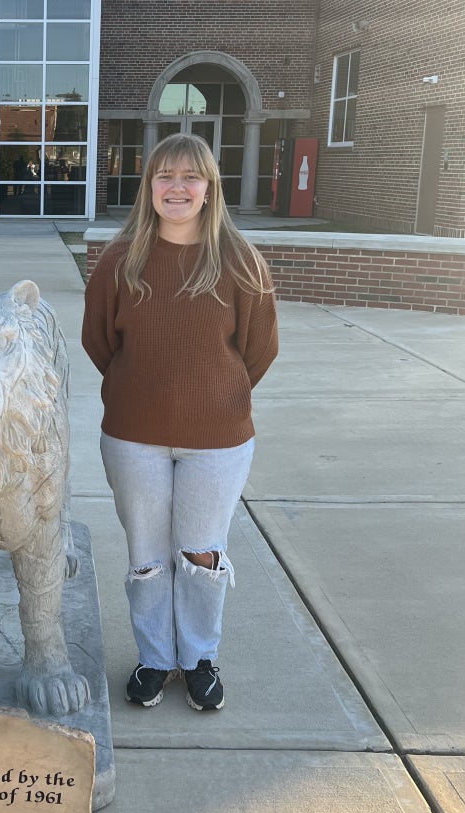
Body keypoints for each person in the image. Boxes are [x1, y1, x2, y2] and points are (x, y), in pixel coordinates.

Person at [81, 133, 278, 712]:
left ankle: (198, 658)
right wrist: (140, 391)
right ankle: (155, 658)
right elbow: (100, 342)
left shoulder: (238, 259)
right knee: (146, 553)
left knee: (199, 553)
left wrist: (216, 398)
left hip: (216, 442)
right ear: (149, 187)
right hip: (133, 437)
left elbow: (259, 349)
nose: (177, 187)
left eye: (191, 176)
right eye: (165, 175)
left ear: (210, 188)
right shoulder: (121, 260)